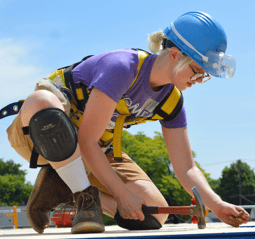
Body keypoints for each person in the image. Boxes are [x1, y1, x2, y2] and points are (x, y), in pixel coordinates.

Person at [5, 11, 250, 234]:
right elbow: (87, 140)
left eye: (205, 74)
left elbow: (186, 168)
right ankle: (82, 193)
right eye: (198, 70)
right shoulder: (123, 67)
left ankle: (66, 186)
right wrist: (122, 194)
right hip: (40, 136)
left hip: (94, 150)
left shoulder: (171, 102)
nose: (200, 79)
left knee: (152, 212)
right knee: (42, 101)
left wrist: (216, 205)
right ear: (175, 55)